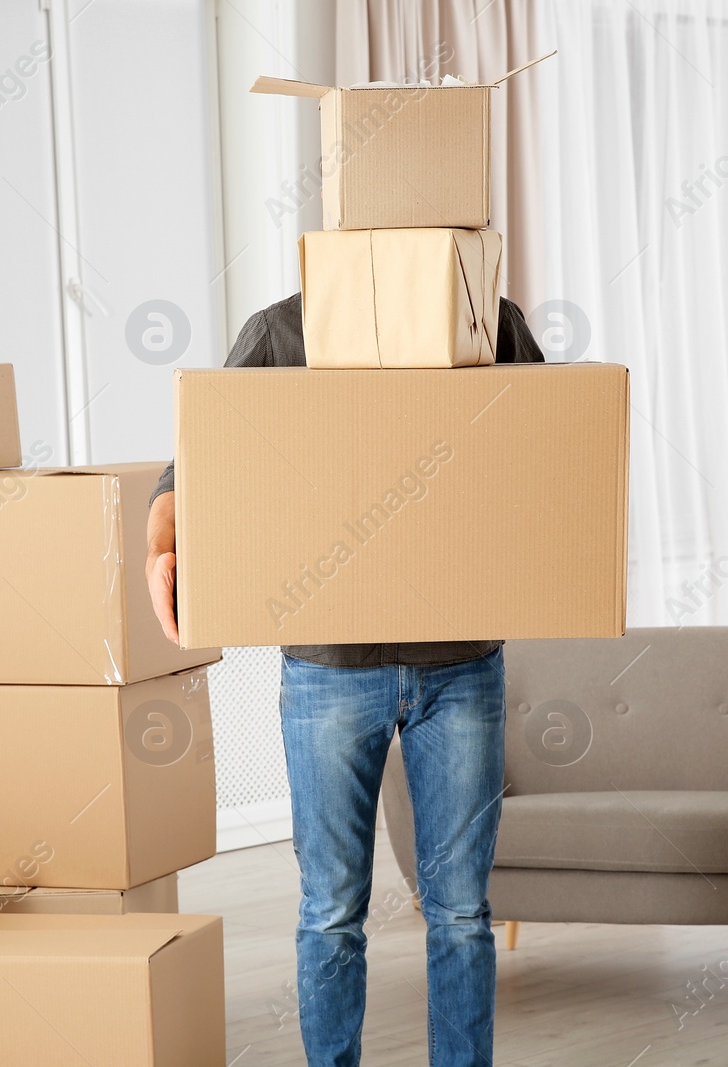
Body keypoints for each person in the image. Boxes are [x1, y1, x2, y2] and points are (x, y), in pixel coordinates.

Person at [145, 291, 545, 1066]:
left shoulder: (482, 316)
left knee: (460, 912)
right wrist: (160, 549)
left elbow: (546, 445)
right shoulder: (280, 332)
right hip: (330, 671)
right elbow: (195, 462)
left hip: (460, 665)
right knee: (331, 910)